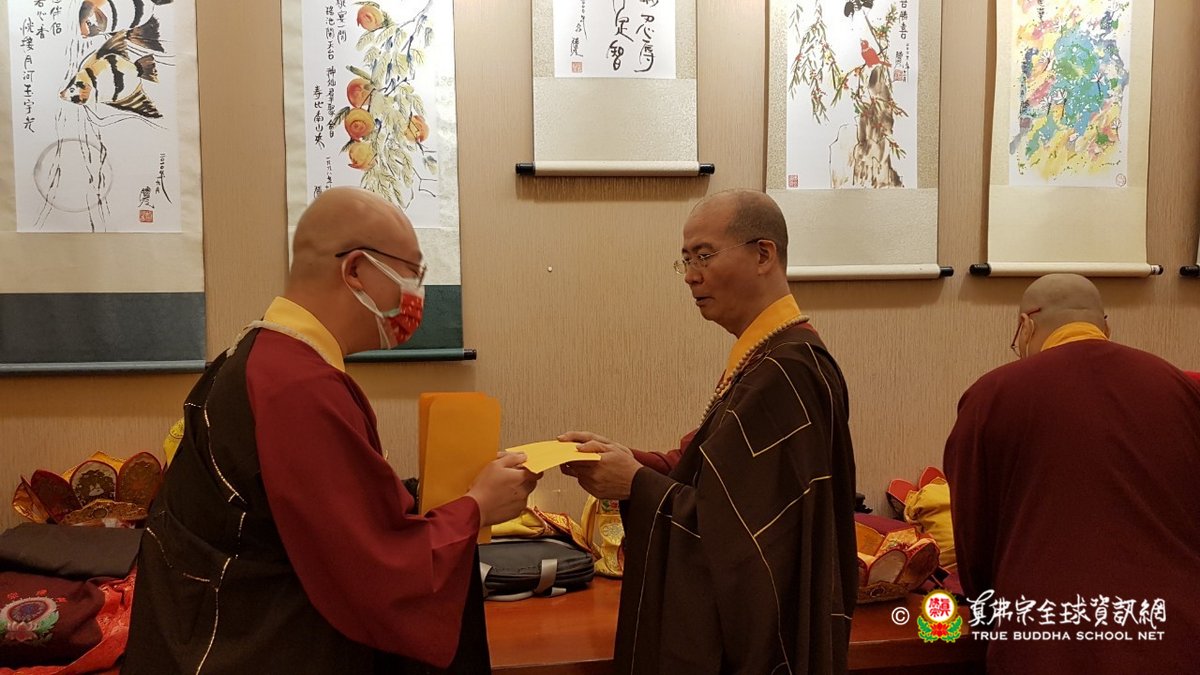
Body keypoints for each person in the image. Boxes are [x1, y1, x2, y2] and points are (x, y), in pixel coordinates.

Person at [125, 187, 538, 674]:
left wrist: (425, 494)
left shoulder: (260, 356)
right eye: (412, 274)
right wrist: (477, 508)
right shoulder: (298, 387)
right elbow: (373, 570)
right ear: (356, 270)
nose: (416, 296)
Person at [560, 189, 859, 674]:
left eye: (704, 255)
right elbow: (715, 475)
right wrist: (628, 463)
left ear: (763, 255)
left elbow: (748, 541)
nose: (691, 275)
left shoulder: (788, 371)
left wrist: (635, 484)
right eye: (686, 260)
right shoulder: (766, 356)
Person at [944, 273, 1200, 673]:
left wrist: (990, 619)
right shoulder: (1178, 387)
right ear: (1105, 326)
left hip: (1048, 637)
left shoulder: (992, 395)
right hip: (1173, 632)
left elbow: (973, 533)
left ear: (1025, 326)